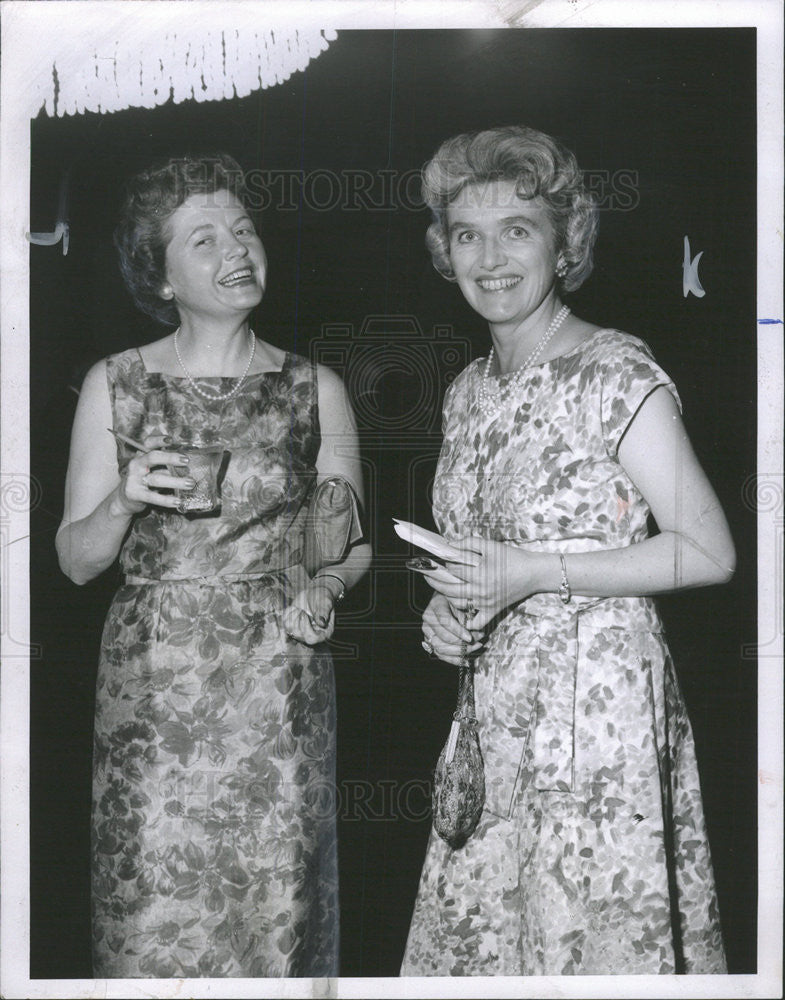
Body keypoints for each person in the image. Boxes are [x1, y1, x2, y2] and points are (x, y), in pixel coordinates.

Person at [401, 126, 735, 976]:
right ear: (444, 250)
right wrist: (451, 609)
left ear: (563, 243)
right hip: (496, 715)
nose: (490, 256)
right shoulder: (467, 390)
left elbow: (706, 551)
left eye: (517, 229)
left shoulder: (612, 371)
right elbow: (484, 554)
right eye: (467, 234)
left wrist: (533, 574)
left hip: (598, 716)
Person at [56, 153, 370, 978]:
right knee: (150, 908)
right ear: (160, 278)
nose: (236, 249)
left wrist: (325, 584)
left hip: (277, 686)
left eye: (243, 229)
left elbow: (349, 538)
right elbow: (76, 562)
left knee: (276, 912)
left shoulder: (315, 388)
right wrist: (122, 500)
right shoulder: (115, 384)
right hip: (152, 690)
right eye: (203, 240)